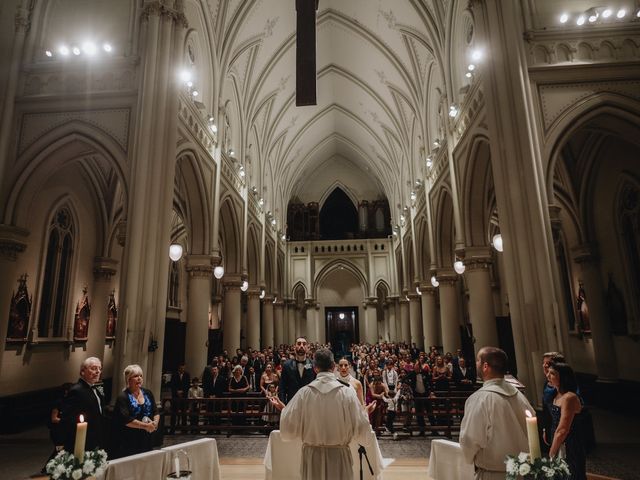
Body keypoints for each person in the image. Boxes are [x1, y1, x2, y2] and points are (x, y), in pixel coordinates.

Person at [269, 349, 376, 480]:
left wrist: (284, 410)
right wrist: (365, 412)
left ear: (314, 368)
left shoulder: (304, 393)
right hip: (339, 457)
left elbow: (289, 430)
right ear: (333, 367)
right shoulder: (347, 393)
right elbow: (361, 429)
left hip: (312, 457)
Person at [460, 347, 533, 480]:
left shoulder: (480, 399)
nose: (475, 364)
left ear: (485, 366)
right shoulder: (521, 397)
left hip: (493, 474)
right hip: (521, 473)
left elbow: (469, 440)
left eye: (478, 361)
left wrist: (469, 459)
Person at [546, 362, 586, 480]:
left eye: (552, 373)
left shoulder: (569, 397)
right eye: (548, 372)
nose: (548, 375)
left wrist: (551, 452)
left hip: (570, 444)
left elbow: (563, 429)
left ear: (563, 377)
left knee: (571, 475)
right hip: (559, 441)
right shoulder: (557, 394)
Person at [112, 364, 159, 458]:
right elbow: (126, 420)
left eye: (141, 376)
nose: (139, 378)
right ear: (128, 379)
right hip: (130, 440)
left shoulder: (148, 393)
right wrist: (146, 426)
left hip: (147, 438)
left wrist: (155, 423)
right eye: (136, 376)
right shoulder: (123, 397)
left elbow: (155, 411)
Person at [61, 357, 106, 453]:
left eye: (99, 368)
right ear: (82, 371)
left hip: (96, 438)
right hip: (83, 440)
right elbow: (68, 418)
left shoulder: (96, 389)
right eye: (94, 368)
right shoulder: (76, 391)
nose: (98, 372)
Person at [278, 336, 316, 404]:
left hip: (309, 403)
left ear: (307, 348)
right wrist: (283, 405)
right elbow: (282, 388)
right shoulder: (287, 365)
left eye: (304, 344)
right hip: (292, 403)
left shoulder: (313, 365)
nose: (301, 346)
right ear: (294, 347)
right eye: (299, 344)